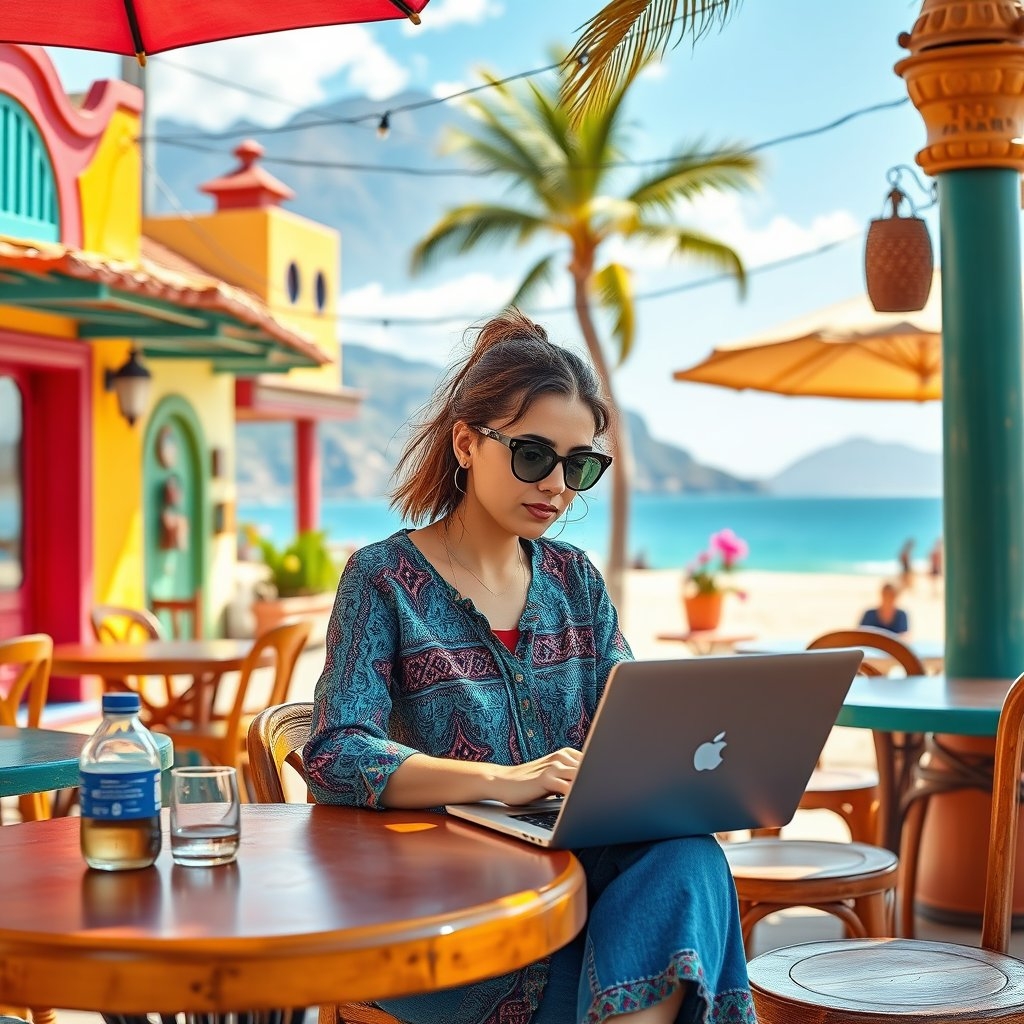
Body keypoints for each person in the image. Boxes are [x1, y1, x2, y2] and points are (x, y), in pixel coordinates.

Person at [304, 309, 755, 1024]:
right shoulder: (382, 579)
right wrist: (503, 783)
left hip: (583, 898)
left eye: (578, 466)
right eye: (533, 455)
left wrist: (691, 785)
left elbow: (634, 724)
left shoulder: (577, 580)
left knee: (690, 858)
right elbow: (334, 754)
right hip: (456, 921)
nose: (556, 486)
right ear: (465, 443)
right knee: (664, 932)